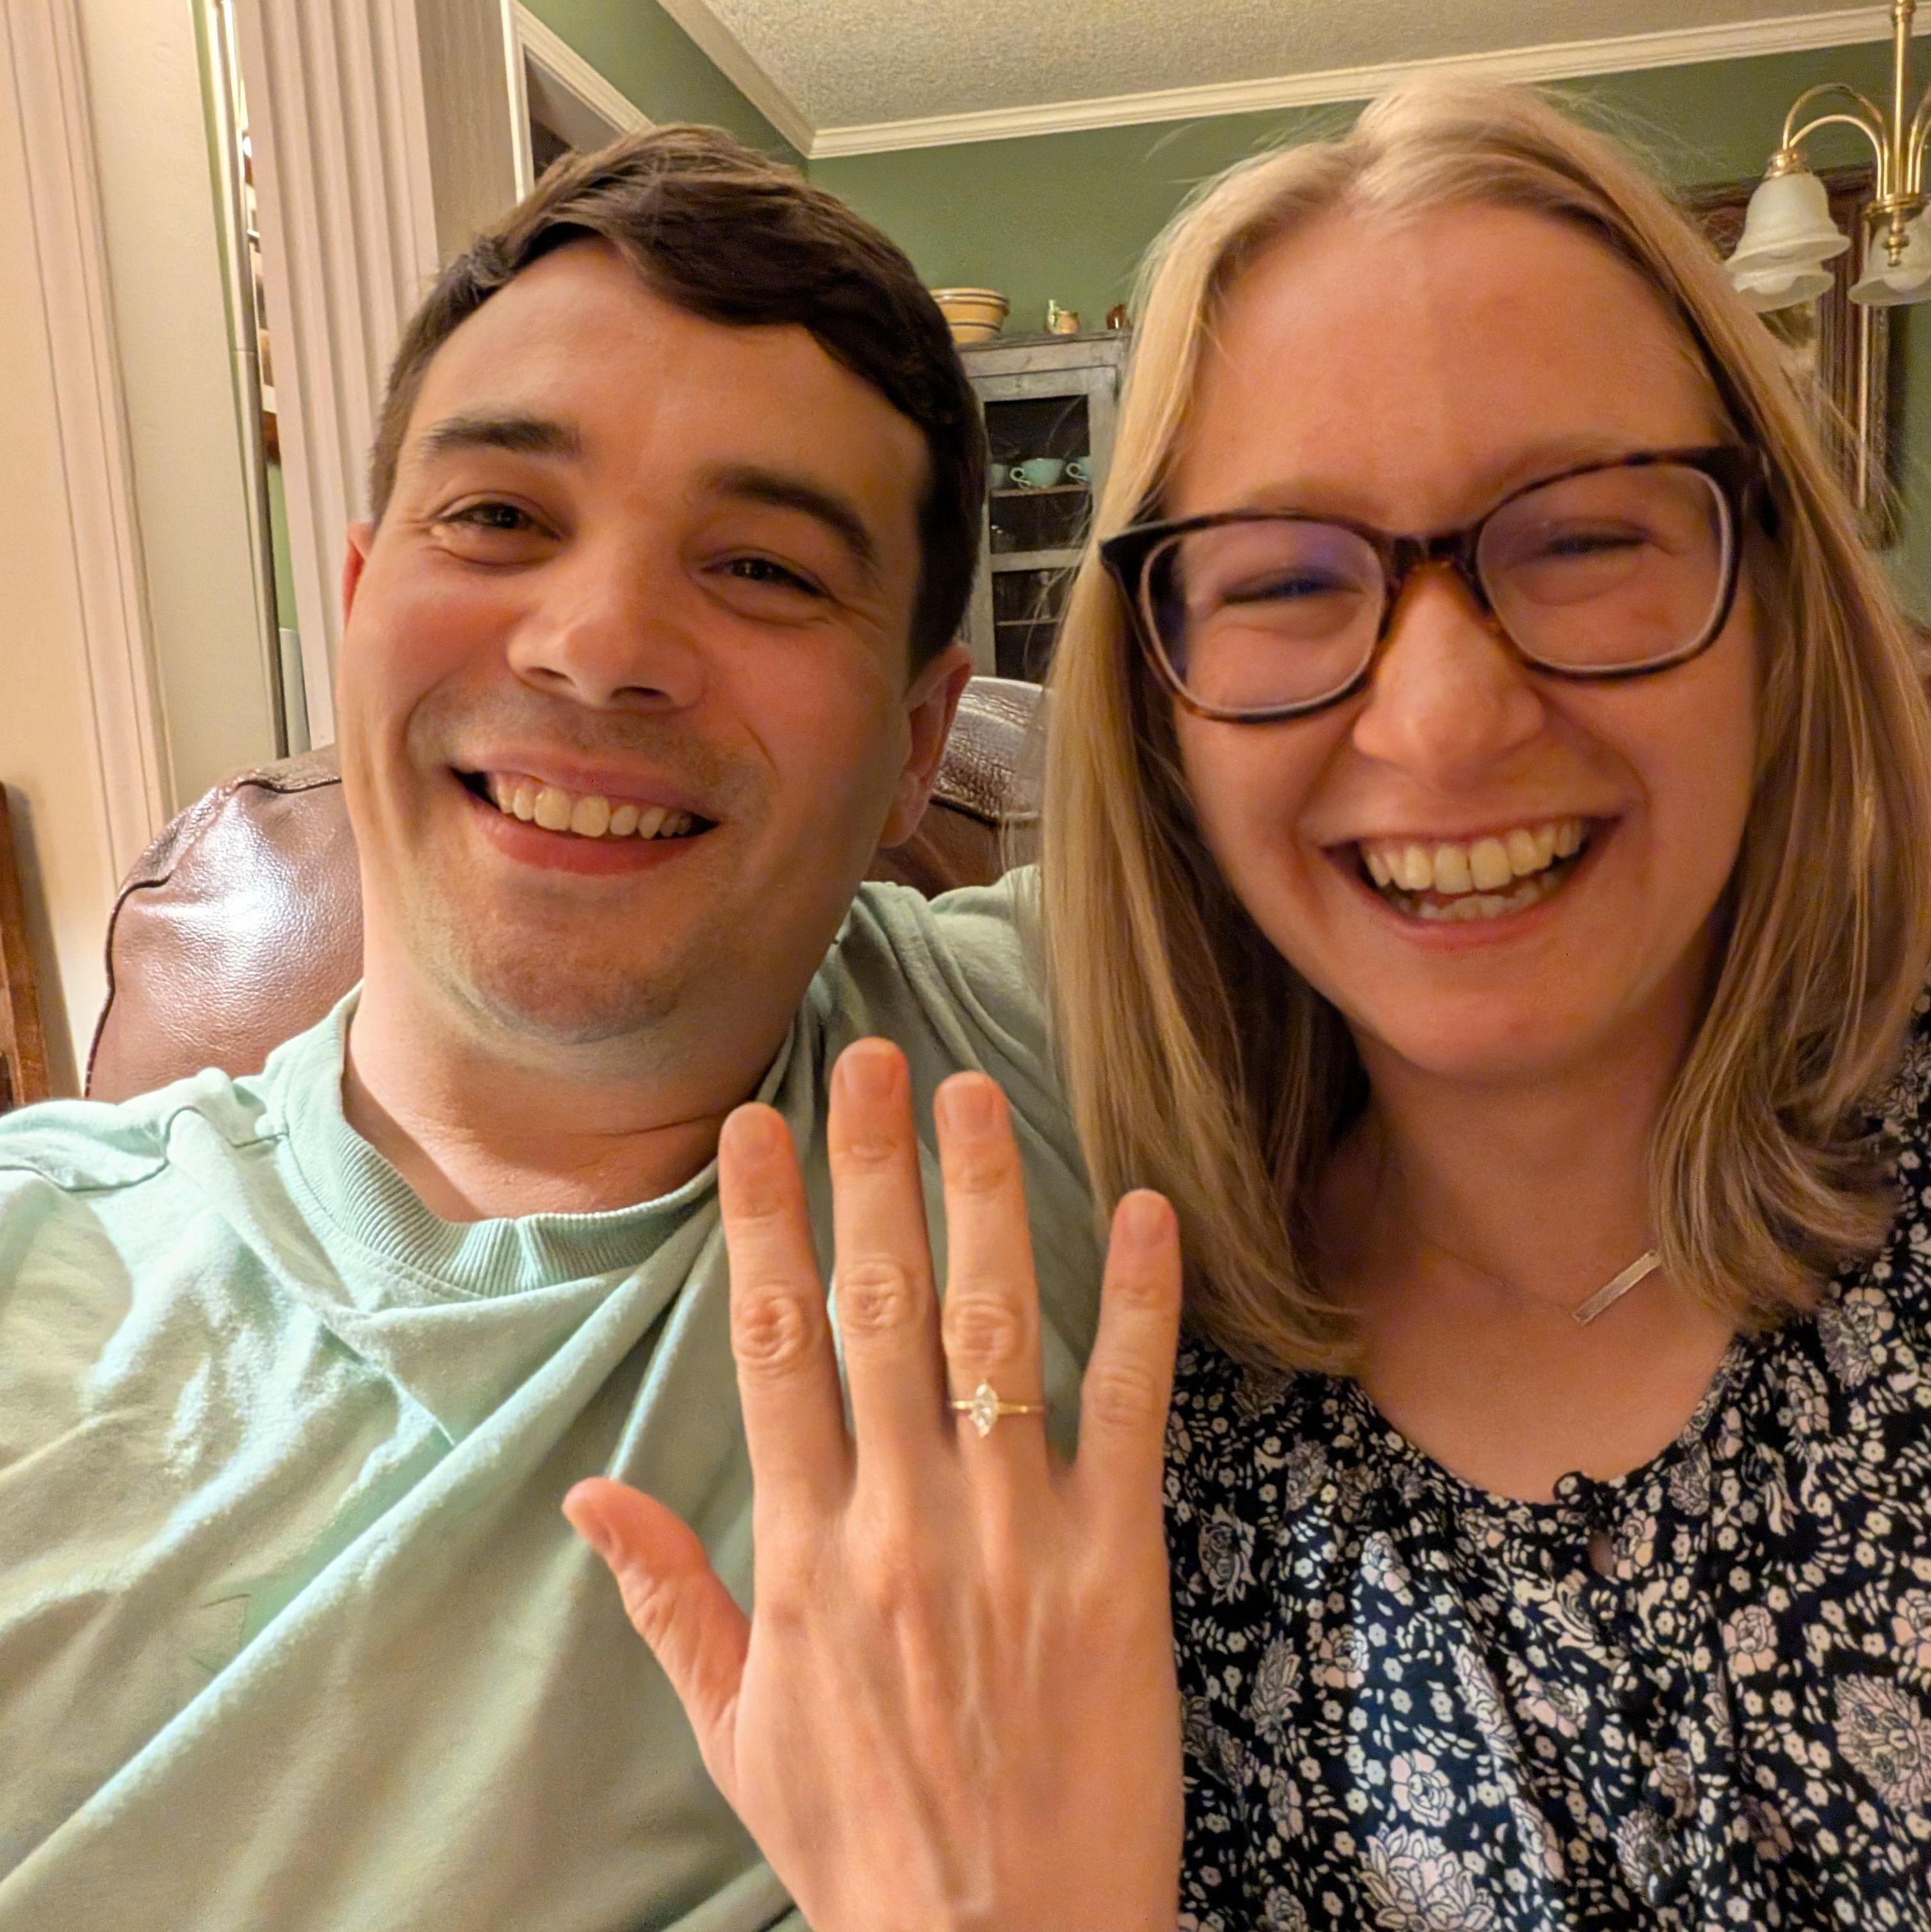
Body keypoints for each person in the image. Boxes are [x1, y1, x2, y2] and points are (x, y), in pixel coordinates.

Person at [574, 83, 1931, 1930]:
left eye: (1587, 540)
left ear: (1775, 605)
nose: (1444, 719)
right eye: (1287, 581)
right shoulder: (1115, 1422)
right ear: (1163, 721)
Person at [0, 128, 1105, 1931]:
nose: (598, 644)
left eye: (764, 567)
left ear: (919, 746)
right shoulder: (34, 1247)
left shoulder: (1067, 1046)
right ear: (358, 601)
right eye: (501, 518)